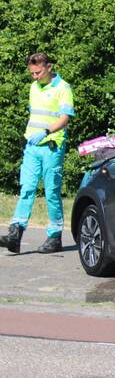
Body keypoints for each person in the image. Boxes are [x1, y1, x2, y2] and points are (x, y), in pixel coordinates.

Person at [0, 53, 74, 254]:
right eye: (31, 73)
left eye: (38, 72)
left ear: (49, 67)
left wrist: (46, 131)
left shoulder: (62, 88)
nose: (34, 76)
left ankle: (54, 236)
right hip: (32, 147)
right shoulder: (34, 87)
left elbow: (65, 118)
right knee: (27, 188)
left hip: (52, 146)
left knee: (51, 192)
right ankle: (15, 233)